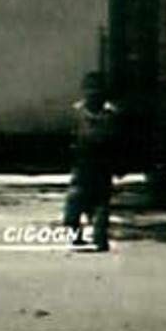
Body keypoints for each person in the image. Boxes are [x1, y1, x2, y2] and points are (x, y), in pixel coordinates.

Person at [63, 71, 120, 252]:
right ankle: (75, 236)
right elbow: (72, 137)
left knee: (101, 205)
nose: (93, 93)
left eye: (97, 89)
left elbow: (117, 140)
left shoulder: (111, 113)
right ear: (84, 91)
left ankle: (100, 237)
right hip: (82, 163)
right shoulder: (77, 112)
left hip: (103, 164)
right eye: (90, 89)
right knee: (74, 204)